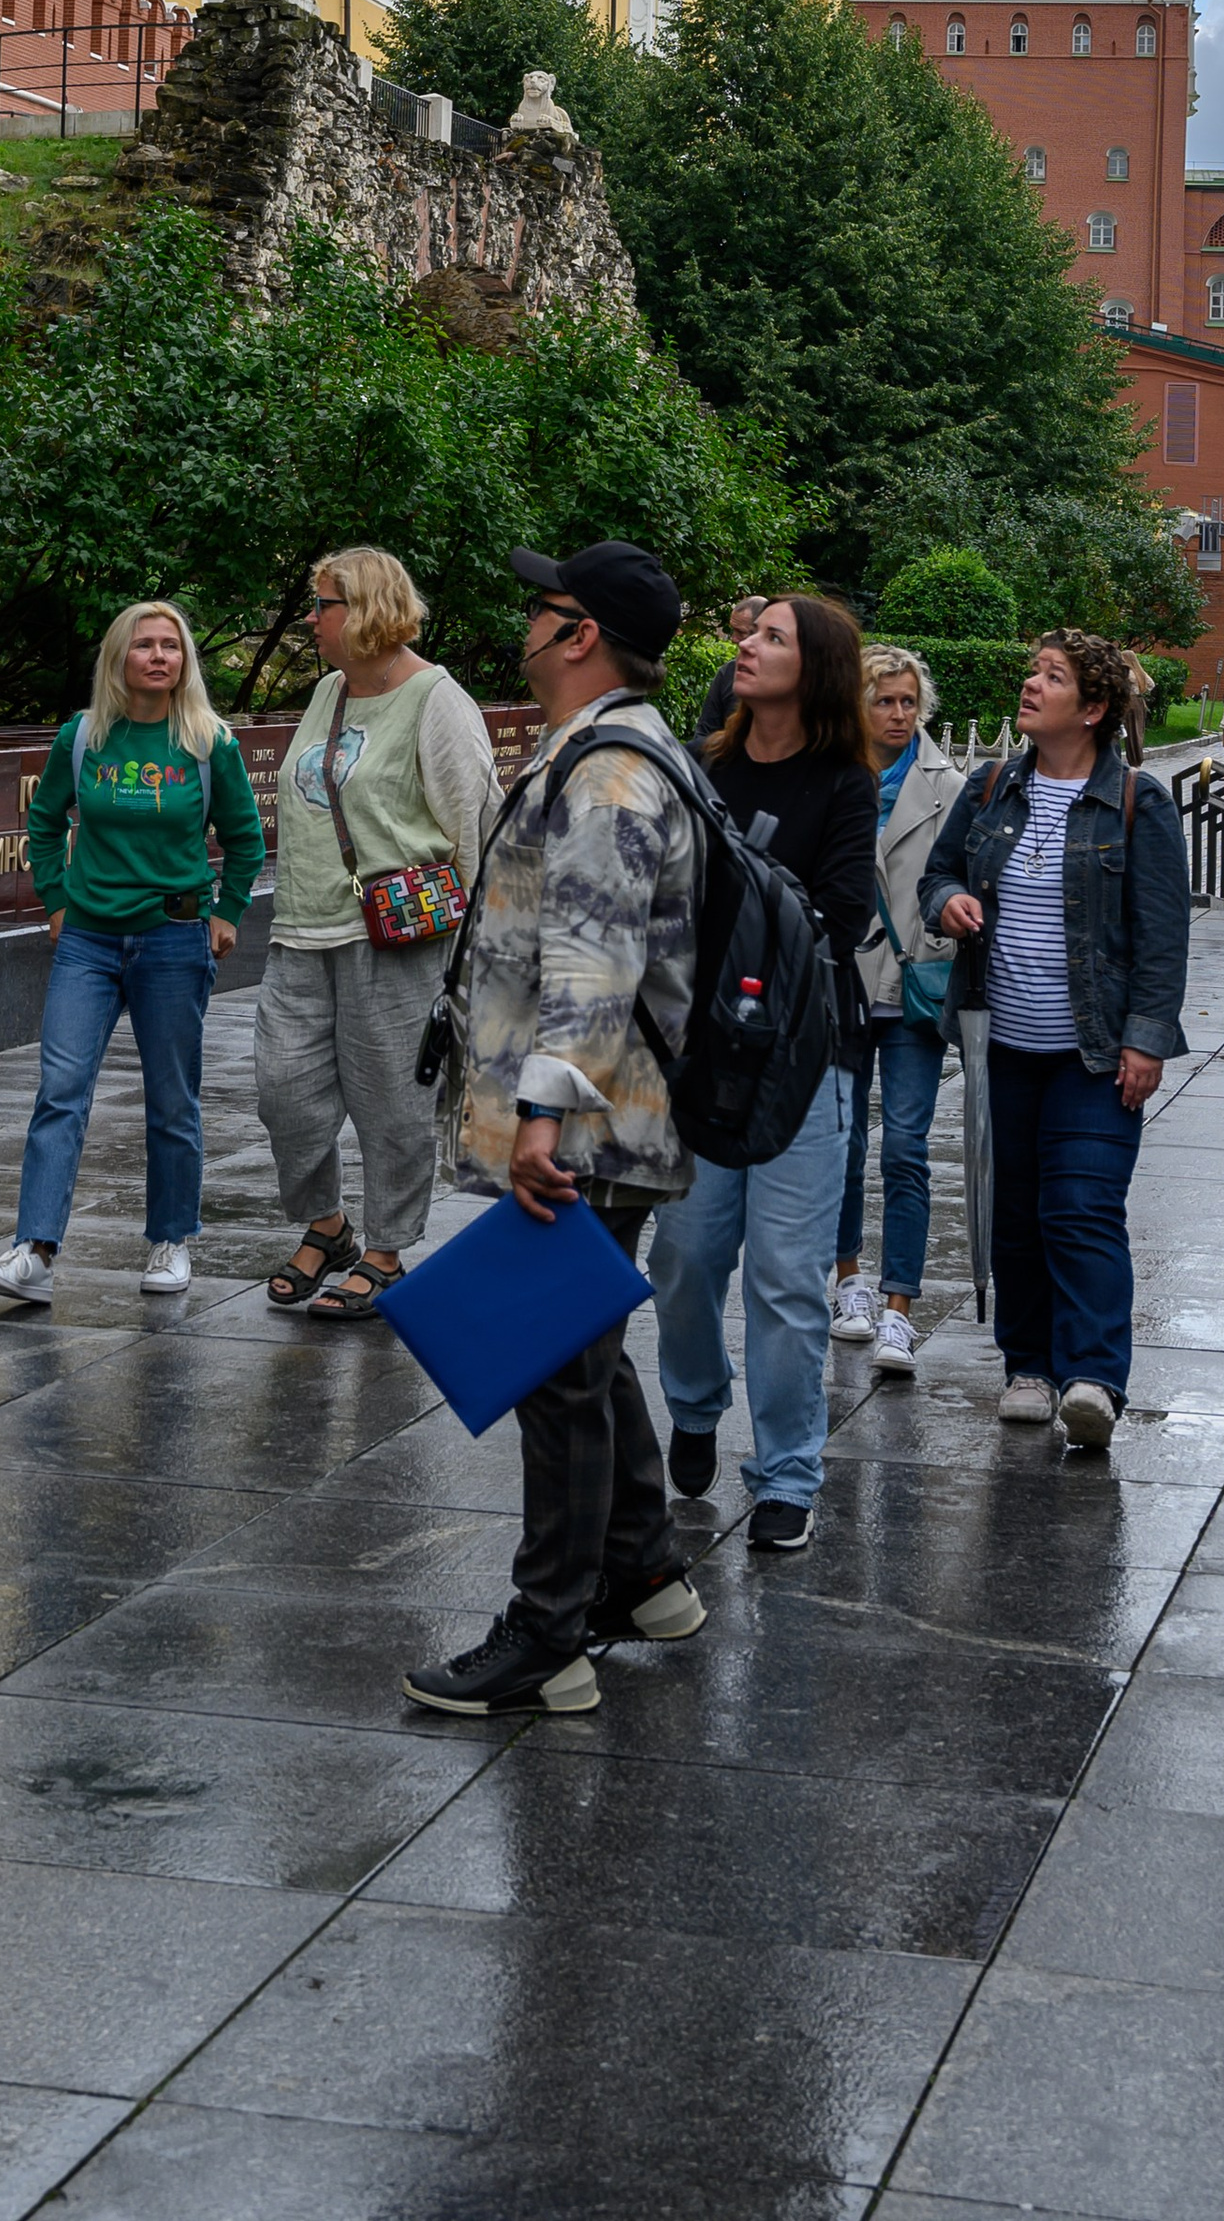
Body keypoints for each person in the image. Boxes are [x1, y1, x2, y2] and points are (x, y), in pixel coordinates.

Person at [404, 542, 708, 1720]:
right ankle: (641, 1572)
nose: (524, 623)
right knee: (579, 1350)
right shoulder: (603, 751)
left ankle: (548, 1635)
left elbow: (593, 959)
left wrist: (542, 1115)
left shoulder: (614, 772)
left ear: (577, 634)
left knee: (553, 1370)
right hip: (602, 1110)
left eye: (541, 607)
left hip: (588, 1120)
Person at [921, 628, 1188, 1450]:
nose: (1031, 684)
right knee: (1018, 1215)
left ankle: (1094, 1378)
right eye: (1033, 669)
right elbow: (938, 873)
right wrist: (949, 902)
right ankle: (1029, 1368)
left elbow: (1162, 937)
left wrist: (1145, 1038)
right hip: (1002, 1046)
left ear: (1095, 706)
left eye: (1053, 676)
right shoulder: (991, 785)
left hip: (1096, 1053)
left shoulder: (1138, 802)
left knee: (1082, 1208)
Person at [650, 594, 878, 1551]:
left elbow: (843, 914)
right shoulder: (704, 767)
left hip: (802, 1057)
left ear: (814, 666)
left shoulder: (845, 783)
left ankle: (787, 1472)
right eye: (751, 634)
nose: (748, 644)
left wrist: (736, 900)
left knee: (788, 1277)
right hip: (702, 1055)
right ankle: (696, 1402)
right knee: (688, 1256)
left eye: (772, 637)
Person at [0, 601, 263, 1308]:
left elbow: (246, 836)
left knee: (171, 1098)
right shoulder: (83, 736)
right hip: (89, 943)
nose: (159, 656)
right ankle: (34, 1250)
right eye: (144, 646)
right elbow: (44, 823)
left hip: (172, 940)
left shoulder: (206, 741)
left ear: (184, 660)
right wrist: (55, 899)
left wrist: (226, 913)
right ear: (119, 658)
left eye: (171, 646)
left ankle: (170, 1239)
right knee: (60, 1090)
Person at [253, 545, 501, 1319]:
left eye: (322, 603)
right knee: (282, 1091)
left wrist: (469, 955)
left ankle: (388, 1250)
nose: (310, 618)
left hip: (395, 936)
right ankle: (328, 1227)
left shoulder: (436, 699)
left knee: (393, 1103)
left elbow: (476, 827)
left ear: (363, 611)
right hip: (301, 927)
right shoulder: (328, 692)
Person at [830, 643, 958, 1382]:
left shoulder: (950, 782)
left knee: (906, 1149)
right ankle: (848, 1279)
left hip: (913, 988)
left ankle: (900, 1308)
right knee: (843, 1144)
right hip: (843, 985)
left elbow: (962, 873)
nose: (900, 713)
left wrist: (941, 932)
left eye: (910, 701)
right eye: (886, 700)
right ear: (860, 703)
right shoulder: (832, 774)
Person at [694, 595, 769, 745]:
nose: (733, 639)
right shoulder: (727, 673)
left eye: (741, 632)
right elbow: (704, 734)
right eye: (733, 631)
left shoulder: (786, 680)